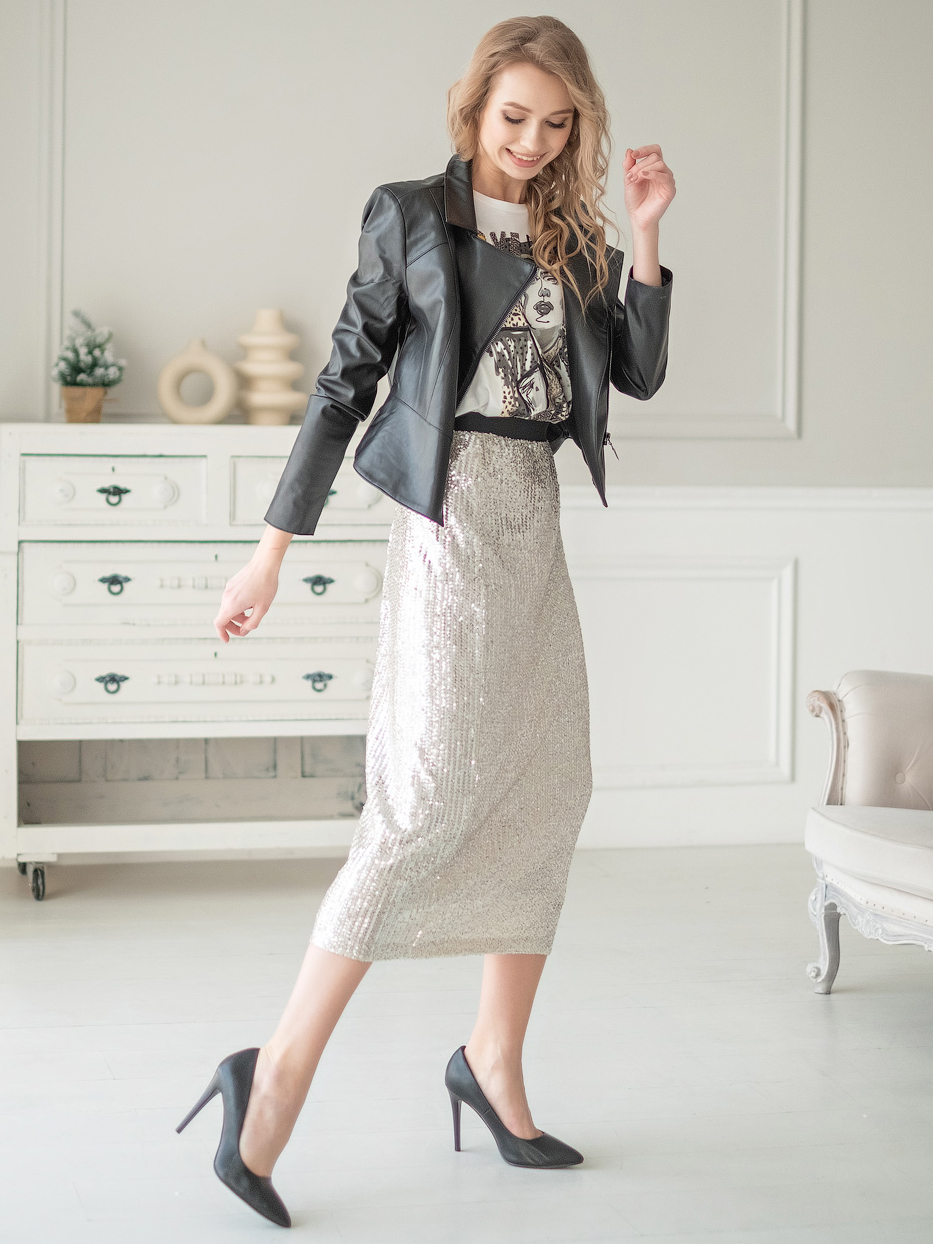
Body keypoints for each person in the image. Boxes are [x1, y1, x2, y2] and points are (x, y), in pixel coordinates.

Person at [177, 15, 674, 1227]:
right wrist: (268, 553)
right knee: (424, 799)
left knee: (549, 783)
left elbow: (638, 372)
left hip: (534, 522)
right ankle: (273, 1074)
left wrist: (648, 234)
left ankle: (493, 1061)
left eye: (556, 124)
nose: (532, 142)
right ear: (475, 107)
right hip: (449, 520)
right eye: (514, 118)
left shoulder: (578, 236)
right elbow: (344, 380)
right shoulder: (410, 216)